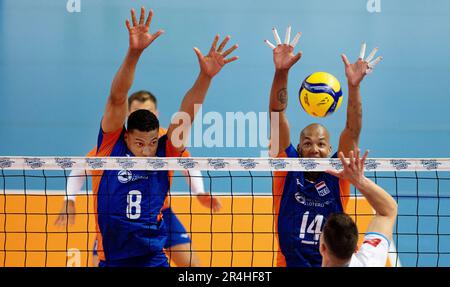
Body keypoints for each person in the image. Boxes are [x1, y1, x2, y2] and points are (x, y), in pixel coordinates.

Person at [72, 6, 237, 267]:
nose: (148, 151)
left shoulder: (165, 151)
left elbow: (187, 115)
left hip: (152, 257)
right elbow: (117, 98)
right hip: (112, 257)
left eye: (151, 143)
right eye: (139, 144)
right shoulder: (109, 147)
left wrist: (205, 77)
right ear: (126, 137)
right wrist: (134, 53)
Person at [55, 90, 222, 267]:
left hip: (159, 213)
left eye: (148, 111)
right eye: (137, 111)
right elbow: (81, 166)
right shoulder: (116, 144)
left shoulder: (165, 140)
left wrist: (199, 191)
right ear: (129, 114)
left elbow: (188, 163)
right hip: (118, 220)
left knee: (193, 266)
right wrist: (69, 198)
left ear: (156, 114)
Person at [265, 26, 382, 267]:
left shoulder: (339, 175)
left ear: (330, 150)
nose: (314, 149)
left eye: (321, 144)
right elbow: (277, 113)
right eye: (307, 143)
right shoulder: (286, 168)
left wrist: (354, 87)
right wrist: (281, 72)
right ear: (298, 148)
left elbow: (352, 130)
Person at [321, 149, 398, 267]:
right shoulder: (370, 262)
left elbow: (388, 212)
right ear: (355, 248)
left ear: (323, 248)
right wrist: (359, 181)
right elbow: (388, 211)